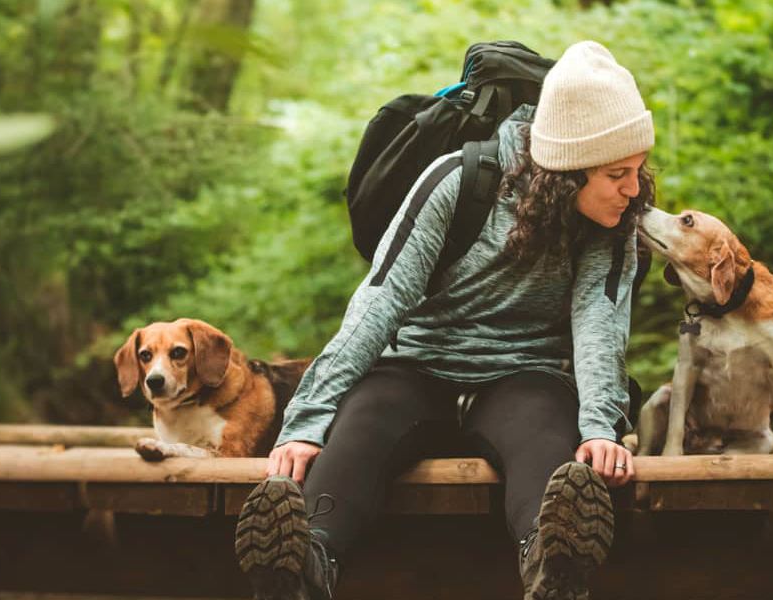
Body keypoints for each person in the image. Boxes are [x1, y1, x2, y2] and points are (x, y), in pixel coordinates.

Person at [234, 40, 655, 600]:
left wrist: (601, 427)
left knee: (554, 451)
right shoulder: (457, 180)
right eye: (617, 174)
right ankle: (302, 565)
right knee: (359, 430)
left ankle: (554, 570)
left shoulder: (612, 218)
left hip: (525, 372)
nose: (634, 189)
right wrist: (307, 420)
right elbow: (379, 301)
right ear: (566, 172)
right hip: (418, 363)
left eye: (639, 169)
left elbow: (600, 323)